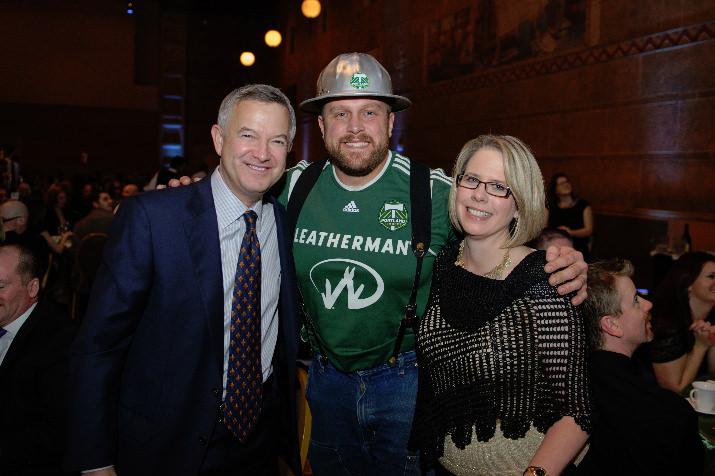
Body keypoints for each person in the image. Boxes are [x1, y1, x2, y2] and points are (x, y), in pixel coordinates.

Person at [169, 53, 588, 475]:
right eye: (340, 113)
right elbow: (230, 197)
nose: (354, 127)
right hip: (323, 381)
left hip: (408, 382)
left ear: (390, 123)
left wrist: (557, 260)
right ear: (321, 125)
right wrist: (192, 195)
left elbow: (501, 226)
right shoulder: (289, 186)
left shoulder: (436, 192)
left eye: (369, 112)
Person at [65, 84, 302, 476]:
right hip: (165, 444)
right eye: (248, 135)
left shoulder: (285, 222)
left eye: (277, 140)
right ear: (218, 138)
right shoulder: (153, 218)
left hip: (257, 443)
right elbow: (99, 347)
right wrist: (95, 461)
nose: (262, 153)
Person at [409, 135, 591, 476]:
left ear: (520, 203)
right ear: (458, 184)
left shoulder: (546, 280)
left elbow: (576, 412)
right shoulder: (446, 263)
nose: (479, 194)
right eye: (472, 179)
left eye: (499, 187)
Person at [578, 258, 702, 475]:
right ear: (611, 325)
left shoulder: (571, 385)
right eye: (636, 300)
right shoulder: (669, 412)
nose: (648, 303)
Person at [0, 243, 78, 475]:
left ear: (32, 287)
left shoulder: (61, 341)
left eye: (0, 286)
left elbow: (58, 431)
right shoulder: (7, 316)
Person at [648, 251, 715, 392]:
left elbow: (712, 378)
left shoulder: (710, 319)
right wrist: (701, 346)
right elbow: (676, 391)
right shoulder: (666, 323)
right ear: (688, 283)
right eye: (711, 276)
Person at [547, 173, 593, 261]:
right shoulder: (550, 207)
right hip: (556, 248)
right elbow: (544, 227)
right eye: (561, 183)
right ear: (555, 190)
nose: (566, 185)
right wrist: (558, 232)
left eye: (567, 182)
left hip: (578, 247)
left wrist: (570, 232)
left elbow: (588, 230)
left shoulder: (583, 205)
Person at [1, 200, 51, 273]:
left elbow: (30, 271)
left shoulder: (36, 241)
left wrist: (9, 234)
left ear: (21, 220)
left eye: (3, 220)